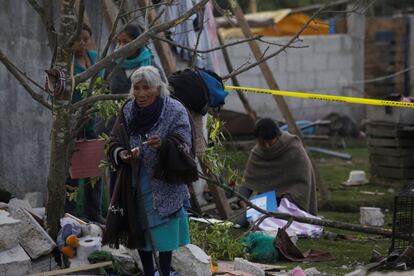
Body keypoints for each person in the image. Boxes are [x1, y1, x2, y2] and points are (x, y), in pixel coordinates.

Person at [105, 66, 192, 276]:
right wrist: (122, 154)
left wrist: (164, 145)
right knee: (141, 229)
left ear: (158, 88)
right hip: (136, 181)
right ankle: (147, 272)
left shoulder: (174, 110)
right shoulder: (128, 110)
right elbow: (114, 140)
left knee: (164, 235)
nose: (141, 94)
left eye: (147, 88)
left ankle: (163, 272)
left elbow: (184, 141)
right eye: (137, 88)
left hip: (164, 183)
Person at [101, 24, 157, 198]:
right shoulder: (112, 64)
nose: (121, 45)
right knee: (117, 174)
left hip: (143, 129)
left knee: (140, 176)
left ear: (138, 42)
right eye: (119, 41)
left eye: (126, 41)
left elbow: (159, 97)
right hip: (116, 128)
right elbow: (103, 92)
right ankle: (118, 216)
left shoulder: (150, 66)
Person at [65, 24, 105, 225]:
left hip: (94, 122)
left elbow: (103, 85)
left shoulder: (95, 59)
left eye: (85, 38)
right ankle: (69, 213)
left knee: (94, 172)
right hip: (73, 123)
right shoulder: (66, 63)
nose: (82, 43)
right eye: (78, 39)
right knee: (71, 171)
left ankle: (94, 213)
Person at [239, 118, 318, 216]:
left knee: (283, 218)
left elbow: (303, 181)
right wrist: (242, 199)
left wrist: (288, 200)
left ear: (278, 137)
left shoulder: (294, 148)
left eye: (270, 142)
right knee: (243, 221)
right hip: (270, 199)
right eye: (262, 142)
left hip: (292, 198)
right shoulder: (257, 153)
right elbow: (248, 182)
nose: (267, 146)